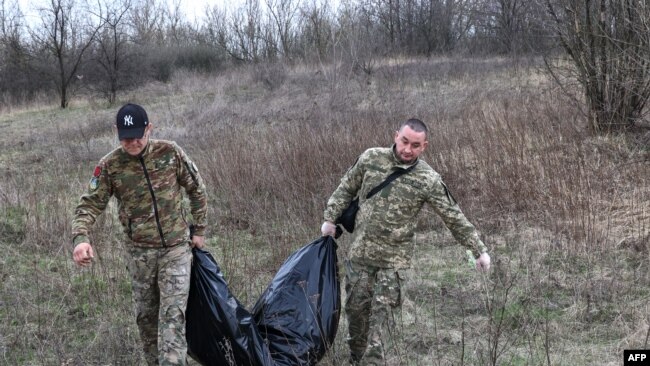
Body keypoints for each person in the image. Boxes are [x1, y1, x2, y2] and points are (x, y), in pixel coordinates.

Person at [321, 118, 490, 365]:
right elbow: (346, 188)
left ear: (424, 147)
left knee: (379, 332)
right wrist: (330, 218)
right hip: (360, 258)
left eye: (416, 145)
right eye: (404, 141)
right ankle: (356, 359)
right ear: (396, 136)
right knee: (357, 321)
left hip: (394, 264)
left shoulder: (428, 179)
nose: (408, 149)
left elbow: (453, 215)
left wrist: (478, 250)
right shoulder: (371, 158)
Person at [71, 103, 208, 365]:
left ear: (149, 129)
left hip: (176, 250)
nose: (132, 143)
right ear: (116, 132)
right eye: (125, 137)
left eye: (138, 136)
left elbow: (197, 190)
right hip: (140, 255)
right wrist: (81, 238)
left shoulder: (170, 153)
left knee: (172, 318)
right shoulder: (110, 165)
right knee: (147, 319)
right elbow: (89, 204)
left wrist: (199, 229)